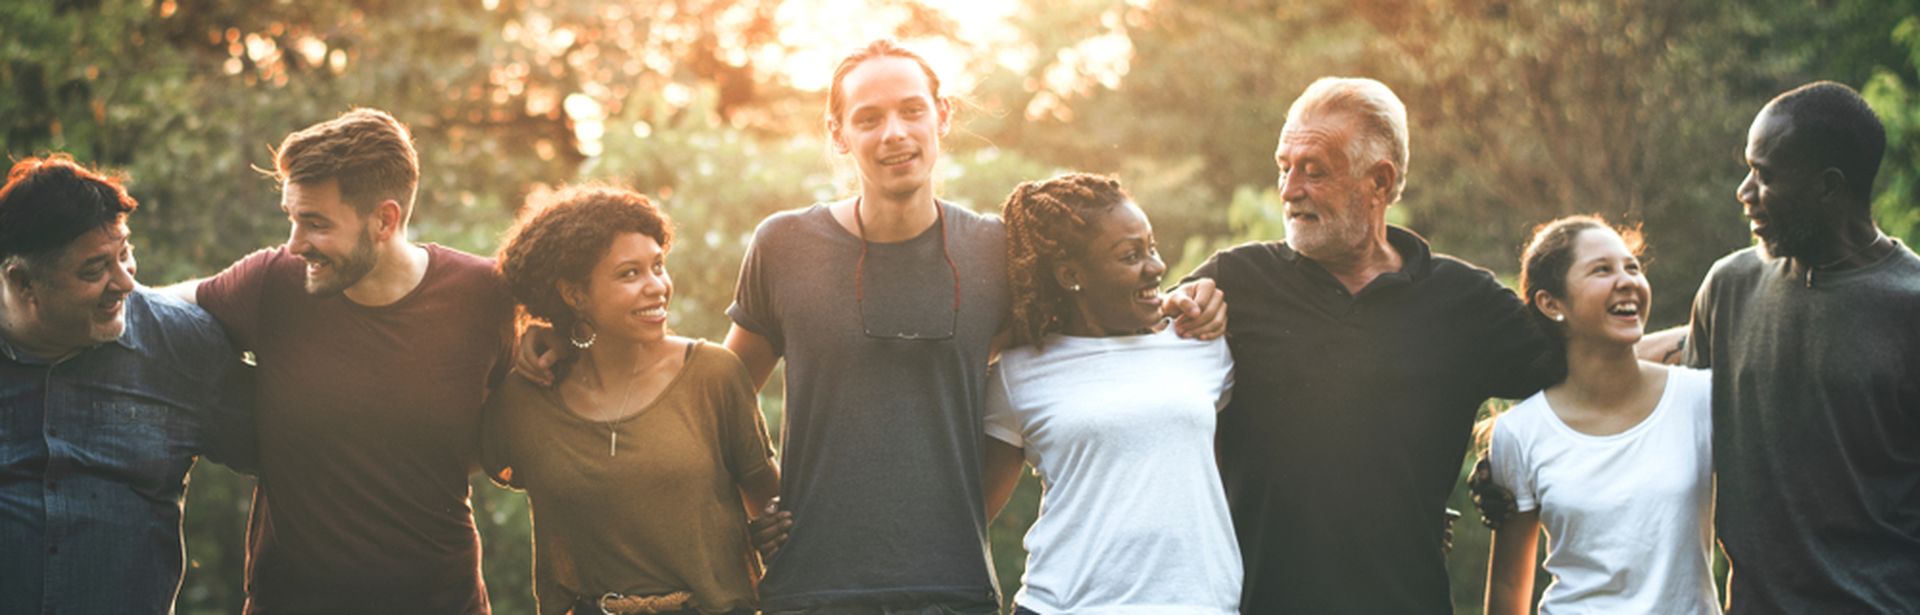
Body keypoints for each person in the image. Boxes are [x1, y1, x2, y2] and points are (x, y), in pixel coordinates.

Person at [513, 39, 1223, 614]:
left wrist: (1192, 300)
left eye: (913, 111)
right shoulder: (782, 244)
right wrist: (563, 334)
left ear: (941, 117)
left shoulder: (996, 252)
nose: (895, 134)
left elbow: (1086, 336)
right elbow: (713, 400)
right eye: (869, 117)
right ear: (837, 133)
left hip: (953, 590)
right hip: (810, 586)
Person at [1184, 77, 1550, 613]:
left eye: (1314, 169)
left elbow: (1589, 373)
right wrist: (1179, 310)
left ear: (1379, 182)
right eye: (1284, 166)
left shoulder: (1463, 301)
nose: (1288, 190)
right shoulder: (1234, 281)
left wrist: (1699, 340)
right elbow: (1136, 361)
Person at [163, 108, 514, 613]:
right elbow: (151, 313)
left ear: (385, 220)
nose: (294, 243)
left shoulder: (484, 296)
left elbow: (516, 418)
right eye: (292, 217)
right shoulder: (272, 283)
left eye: (316, 223)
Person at [484, 186, 780, 615]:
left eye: (658, 266)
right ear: (574, 294)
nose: (657, 287)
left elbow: (771, 501)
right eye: (630, 274)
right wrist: (527, 339)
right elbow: (455, 462)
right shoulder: (526, 397)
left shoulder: (714, 374)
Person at [1684, 81, 1920, 612]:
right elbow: (1656, 415)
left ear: (1828, 187)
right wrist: (1521, 449)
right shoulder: (1728, 287)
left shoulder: (1911, 309)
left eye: (1764, 176)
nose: (1743, 192)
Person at [0, 155, 255, 613]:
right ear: (23, 282)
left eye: (125, 254)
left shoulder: (182, 345)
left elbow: (302, 454)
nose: (125, 283)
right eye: (94, 270)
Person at [981, 174, 1240, 614]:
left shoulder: (1201, 344)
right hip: (1065, 606)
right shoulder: (1019, 371)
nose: (1156, 267)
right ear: (1070, 275)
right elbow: (971, 517)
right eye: (1130, 255)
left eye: (1152, 248)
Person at [1481, 216, 1717, 614]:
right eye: (1601, 270)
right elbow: (1507, 587)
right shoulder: (1519, 433)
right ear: (1551, 304)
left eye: (1633, 267)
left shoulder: (1700, 399)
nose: (1627, 281)